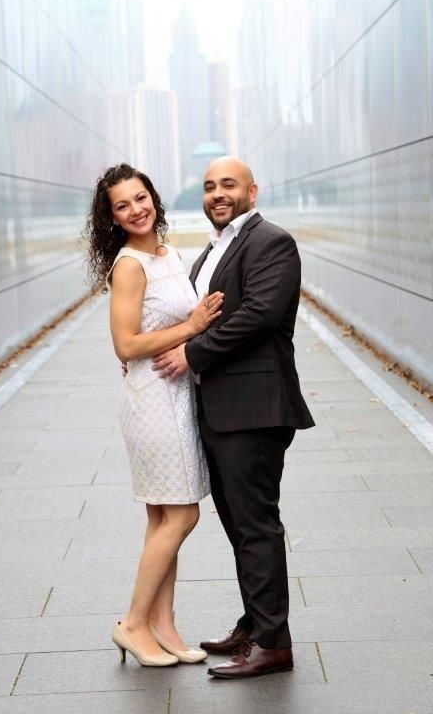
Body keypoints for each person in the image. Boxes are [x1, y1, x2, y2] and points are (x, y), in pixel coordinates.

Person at [152, 156, 315, 679]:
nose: (217, 193)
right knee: (239, 524)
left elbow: (261, 313)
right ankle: (255, 624)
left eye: (228, 185)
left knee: (255, 525)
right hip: (221, 409)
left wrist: (192, 355)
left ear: (252, 190)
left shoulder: (272, 242)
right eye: (208, 187)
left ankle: (274, 643)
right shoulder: (213, 248)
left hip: (254, 408)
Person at [85, 163, 223, 667]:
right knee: (184, 513)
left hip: (177, 395)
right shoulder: (128, 266)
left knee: (162, 516)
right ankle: (133, 624)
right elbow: (125, 344)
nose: (135, 210)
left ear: (154, 198)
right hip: (152, 400)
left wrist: (192, 330)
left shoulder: (167, 254)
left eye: (140, 198)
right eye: (122, 205)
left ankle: (162, 624)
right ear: (112, 217)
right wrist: (190, 326)